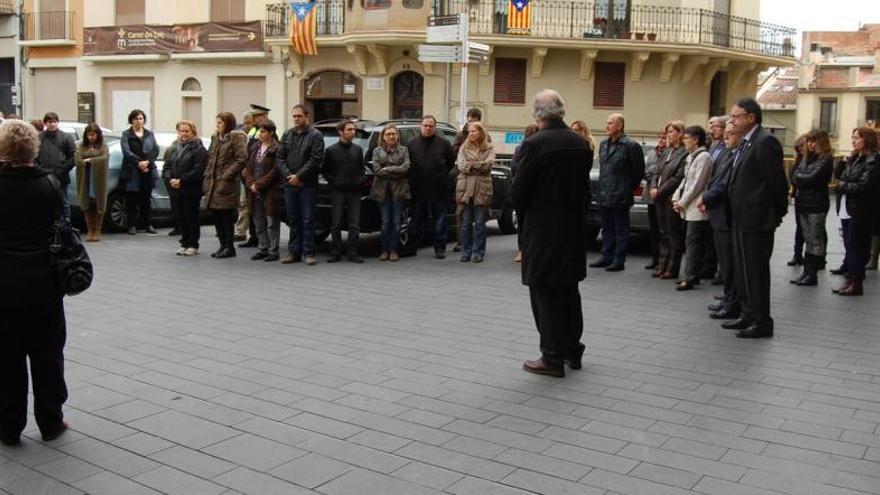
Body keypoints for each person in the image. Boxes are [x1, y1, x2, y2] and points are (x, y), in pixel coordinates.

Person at [512, 89, 591, 378]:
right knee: (569, 290)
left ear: (537, 114)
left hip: (542, 230)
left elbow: (519, 191)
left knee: (543, 292)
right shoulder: (580, 143)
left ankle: (551, 356)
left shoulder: (535, 144)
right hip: (572, 229)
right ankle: (573, 348)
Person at [0, 120, 70, 446]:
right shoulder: (50, 185)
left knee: (7, 359)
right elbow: (62, 228)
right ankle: (51, 421)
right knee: (47, 355)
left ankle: (9, 426)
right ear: (34, 147)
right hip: (44, 283)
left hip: (4, 287)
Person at [723, 97, 788, 338]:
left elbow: (777, 183)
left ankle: (762, 321)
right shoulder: (746, 143)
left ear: (751, 117)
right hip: (742, 218)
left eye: (736, 116)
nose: (732, 121)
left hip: (757, 219)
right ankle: (747, 314)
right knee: (743, 271)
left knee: (756, 272)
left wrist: (778, 212)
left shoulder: (765, 142)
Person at [590, 113, 645, 272]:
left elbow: (638, 172)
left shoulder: (630, 145)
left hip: (621, 194)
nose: (606, 126)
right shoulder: (604, 144)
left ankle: (619, 259)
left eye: (610, 123)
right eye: (606, 123)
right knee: (606, 228)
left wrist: (627, 188)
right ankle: (606, 256)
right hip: (605, 192)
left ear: (619, 126)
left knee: (621, 229)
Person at [830, 127, 879, 296]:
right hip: (848, 207)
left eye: (857, 137)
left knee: (857, 247)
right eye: (852, 137)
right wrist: (843, 164)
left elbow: (862, 186)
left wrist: (842, 186)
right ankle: (850, 279)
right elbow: (841, 176)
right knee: (850, 246)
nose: (853, 140)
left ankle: (856, 282)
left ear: (867, 140)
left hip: (861, 209)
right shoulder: (855, 158)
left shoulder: (873, 161)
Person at [703, 122, 741, 320]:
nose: (726, 138)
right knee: (725, 262)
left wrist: (705, 198)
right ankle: (728, 297)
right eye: (725, 135)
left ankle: (732, 301)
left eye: (731, 135)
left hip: (726, 215)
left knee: (730, 262)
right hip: (718, 212)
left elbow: (723, 184)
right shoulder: (726, 154)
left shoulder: (735, 156)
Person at [278, 104, 324, 265]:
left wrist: (299, 176)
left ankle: (309, 252)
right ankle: (294, 252)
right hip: (290, 184)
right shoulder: (287, 134)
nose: (296, 119)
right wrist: (289, 175)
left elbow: (315, 159)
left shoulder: (315, 135)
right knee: (293, 219)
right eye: (294, 116)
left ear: (307, 117)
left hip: (307, 184)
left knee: (307, 219)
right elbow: (280, 157)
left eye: (299, 116)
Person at [406, 115, 455, 259]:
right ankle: (412, 247)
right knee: (416, 221)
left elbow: (451, 163)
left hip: (439, 190)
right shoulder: (411, 144)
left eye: (431, 126)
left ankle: (440, 248)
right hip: (418, 189)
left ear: (435, 127)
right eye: (425, 126)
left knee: (440, 222)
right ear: (420, 127)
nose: (428, 128)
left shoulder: (444, 143)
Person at [789, 129, 833, 286]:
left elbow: (809, 177)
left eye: (814, 141)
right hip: (804, 202)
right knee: (808, 237)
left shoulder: (826, 159)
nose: (810, 144)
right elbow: (795, 175)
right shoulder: (807, 158)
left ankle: (812, 273)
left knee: (814, 239)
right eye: (809, 141)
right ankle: (806, 271)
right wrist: (801, 177)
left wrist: (801, 178)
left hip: (816, 204)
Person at [671, 125, 712, 290]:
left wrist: (683, 202)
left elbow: (698, 184)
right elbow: (685, 180)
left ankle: (691, 277)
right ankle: (689, 274)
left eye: (687, 138)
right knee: (690, 241)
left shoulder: (704, 157)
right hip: (688, 205)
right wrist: (676, 197)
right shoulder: (691, 156)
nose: (684, 141)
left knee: (693, 242)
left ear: (696, 140)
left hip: (696, 206)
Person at [203, 112, 248, 259]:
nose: (218, 126)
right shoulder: (216, 138)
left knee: (225, 216)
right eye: (217, 123)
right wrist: (208, 175)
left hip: (226, 184)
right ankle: (222, 245)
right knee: (216, 215)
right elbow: (211, 158)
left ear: (228, 123)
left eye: (220, 123)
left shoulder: (236, 137)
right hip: (213, 183)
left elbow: (241, 159)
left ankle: (229, 247)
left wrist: (227, 176)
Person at [323, 119, 366, 263]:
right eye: (349, 130)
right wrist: (334, 182)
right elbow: (325, 171)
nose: (352, 132)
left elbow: (362, 169)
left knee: (354, 224)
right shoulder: (331, 150)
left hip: (354, 191)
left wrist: (360, 181)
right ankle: (336, 252)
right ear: (340, 132)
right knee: (336, 223)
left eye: (353, 130)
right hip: (338, 191)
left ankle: (353, 252)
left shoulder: (358, 149)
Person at [650, 121, 688, 279]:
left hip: (670, 198)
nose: (668, 135)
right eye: (667, 132)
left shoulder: (684, 153)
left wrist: (660, 191)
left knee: (673, 234)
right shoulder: (666, 152)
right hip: (659, 198)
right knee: (663, 233)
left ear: (680, 134)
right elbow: (656, 171)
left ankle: (672, 269)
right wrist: (653, 187)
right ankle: (661, 265)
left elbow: (678, 177)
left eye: (671, 132)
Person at [164, 120, 208, 256]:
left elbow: (198, 170)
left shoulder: (199, 149)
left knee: (191, 217)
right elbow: (167, 166)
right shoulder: (173, 148)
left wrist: (181, 180)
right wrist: (169, 179)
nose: (183, 134)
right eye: (181, 131)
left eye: (186, 131)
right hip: (175, 189)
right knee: (180, 217)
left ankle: (193, 244)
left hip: (190, 189)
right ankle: (184, 242)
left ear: (193, 132)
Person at [243, 119, 283, 262]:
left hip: (270, 191)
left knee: (272, 221)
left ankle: (273, 251)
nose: (260, 134)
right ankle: (262, 248)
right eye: (260, 131)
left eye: (263, 131)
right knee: (258, 221)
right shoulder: (255, 147)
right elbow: (247, 168)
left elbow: (276, 171)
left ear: (271, 133)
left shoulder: (277, 149)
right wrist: (251, 183)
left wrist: (258, 184)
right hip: (254, 190)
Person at [455, 121, 495, 263]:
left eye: (474, 131)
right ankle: (466, 251)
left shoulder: (488, 148)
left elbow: (488, 165)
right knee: (465, 224)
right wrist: (478, 165)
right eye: (469, 131)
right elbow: (462, 166)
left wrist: (473, 164)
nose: (471, 133)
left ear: (481, 133)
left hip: (481, 189)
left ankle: (478, 252)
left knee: (479, 223)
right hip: (466, 188)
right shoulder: (463, 147)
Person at [371, 125, 410, 261]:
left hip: (398, 191)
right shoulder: (377, 151)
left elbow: (405, 168)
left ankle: (394, 250)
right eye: (388, 134)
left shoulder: (404, 150)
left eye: (393, 134)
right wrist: (395, 170)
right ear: (383, 136)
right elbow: (376, 169)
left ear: (397, 136)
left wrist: (387, 168)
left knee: (397, 222)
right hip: (382, 191)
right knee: (385, 222)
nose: (391, 136)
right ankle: (384, 250)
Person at [119, 109, 159, 235]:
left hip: (147, 170)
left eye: (141, 118)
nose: (138, 121)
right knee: (132, 199)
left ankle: (147, 224)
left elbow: (155, 150)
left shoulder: (149, 134)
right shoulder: (126, 134)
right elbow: (126, 151)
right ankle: (131, 225)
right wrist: (138, 163)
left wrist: (147, 162)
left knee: (146, 199)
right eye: (136, 119)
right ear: (131, 120)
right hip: (132, 171)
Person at [238, 104, 271, 248]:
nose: (253, 119)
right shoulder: (253, 131)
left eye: (256, 116)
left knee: (261, 211)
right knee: (251, 208)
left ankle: (262, 240)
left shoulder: (269, 131)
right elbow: (249, 151)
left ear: (263, 116)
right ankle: (254, 236)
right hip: (250, 175)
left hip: (261, 177)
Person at [35, 112, 76, 222]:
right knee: (44, 201)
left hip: (61, 176)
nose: (52, 124)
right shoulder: (39, 137)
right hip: (43, 176)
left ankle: (66, 224)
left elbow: (73, 157)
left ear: (58, 122)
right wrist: (40, 169)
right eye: (49, 122)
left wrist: (62, 170)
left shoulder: (66, 137)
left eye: (54, 122)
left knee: (64, 202)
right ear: (45, 123)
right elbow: (34, 155)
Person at [510, 123, 540, 263]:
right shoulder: (520, 149)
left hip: (537, 192)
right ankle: (522, 250)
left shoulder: (543, 149)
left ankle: (533, 250)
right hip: (524, 191)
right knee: (523, 223)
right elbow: (514, 167)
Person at [74, 123, 109, 242]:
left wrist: (89, 160)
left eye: (93, 135)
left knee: (98, 203)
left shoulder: (103, 146)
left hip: (98, 179)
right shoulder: (81, 146)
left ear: (98, 135)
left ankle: (98, 229)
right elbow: (78, 159)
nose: (91, 137)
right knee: (86, 203)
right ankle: (90, 229)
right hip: (86, 178)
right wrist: (91, 160)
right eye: (89, 135)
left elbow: (104, 158)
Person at [642, 131, 667, 270]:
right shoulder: (653, 152)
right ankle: (654, 257)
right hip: (651, 194)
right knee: (654, 229)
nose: (661, 140)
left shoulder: (670, 153)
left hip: (663, 194)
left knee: (664, 230)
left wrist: (654, 171)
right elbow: (646, 170)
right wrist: (651, 172)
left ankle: (663, 260)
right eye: (660, 138)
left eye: (664, 138)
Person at [787, 134, 808, 267]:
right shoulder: (798, 160)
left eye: (802, 147)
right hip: (799, 196)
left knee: (812, 230)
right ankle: (797, 254)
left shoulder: (813, 160)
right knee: (799, 227)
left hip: (810, 199)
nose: (800, 150)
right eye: (798, 148)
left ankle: (817, 258)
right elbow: (793, 176)